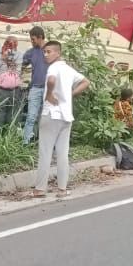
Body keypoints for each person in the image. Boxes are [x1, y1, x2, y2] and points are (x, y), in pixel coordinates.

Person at [33, 41, 90, 198]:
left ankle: (40, 189)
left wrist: (49, 94)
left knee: (45, 153)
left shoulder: (53, 67)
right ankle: (62, 189)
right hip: (66, 116)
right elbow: (86, 82)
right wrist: (71, 94)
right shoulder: (68, 69)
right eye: (44, 52)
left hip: (51, 114)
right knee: (63, 154)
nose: (45, 55)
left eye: (49, 51)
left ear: (58, 53)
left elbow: (51, 81)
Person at [0, 36, 23, 127]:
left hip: (14, 90)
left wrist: (12, 65)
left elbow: (18, 72)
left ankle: (9, 135)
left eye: (14, 45)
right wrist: (2, 59)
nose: (11, 47)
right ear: (5, 43)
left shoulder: (19, 55)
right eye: (9, 44)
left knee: (12, 117)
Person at [21, 26, 47, 144]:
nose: (32, 42)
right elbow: (21, 64)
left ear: (40, 37)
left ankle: (39, 141)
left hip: (48, 89)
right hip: (35, 88)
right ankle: (26, 141)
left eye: (33, 39)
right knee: (31, 116)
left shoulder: (50, 51)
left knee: (44, 118)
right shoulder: (31, 52)